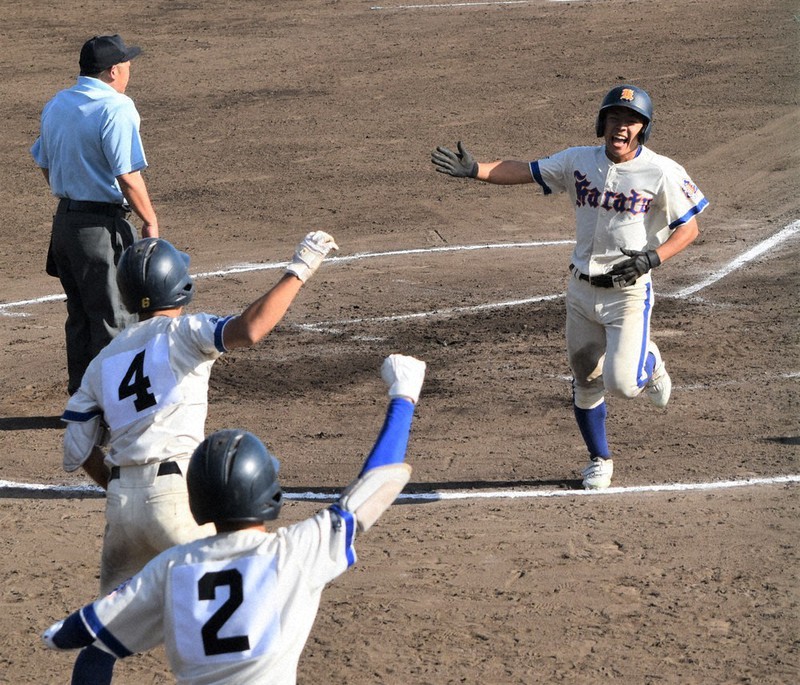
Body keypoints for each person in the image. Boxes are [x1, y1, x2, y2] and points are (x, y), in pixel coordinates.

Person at [42, 354, 426, 685]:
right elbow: (370, 492)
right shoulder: (293, 553)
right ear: (270, 496)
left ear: (196, 502)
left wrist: (61, 632)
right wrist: (403, 396)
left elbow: (77, 634)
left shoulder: (170, 569)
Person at [59, 230, 338, 683]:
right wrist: (300, 268)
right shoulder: (184, 333)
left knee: (102, 638)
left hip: (123, 505)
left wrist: (117, 484)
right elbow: (250, 329)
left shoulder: (103, 359)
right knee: (233, 616)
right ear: (180, 284)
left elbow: (76, 446)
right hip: (178, 502)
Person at [432, 84, 708, 490]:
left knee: (623, 384)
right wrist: (477, 170)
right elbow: (526, 170)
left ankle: (649, 362)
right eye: (615, 118)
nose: (621, 127)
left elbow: (690, 228)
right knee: (584, 377)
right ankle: (600, 459)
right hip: (580, 292)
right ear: (603, 123)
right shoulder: (579, 160)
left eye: (631, 121)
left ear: (643, 129)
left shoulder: (662, 170)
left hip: (627, 293)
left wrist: (652, 258)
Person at [31, 34, 159, 395]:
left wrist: (73, 188)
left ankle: (82, 403)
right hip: (100, 228)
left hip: (65, 224)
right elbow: (127, 176)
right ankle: (112, 408)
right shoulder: (116, 107)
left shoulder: (57, 103)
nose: (130, 70)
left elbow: (45, 162)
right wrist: (149, 220)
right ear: (113, 70)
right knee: (113, 318)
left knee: (81, 317)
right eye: (128, 64)